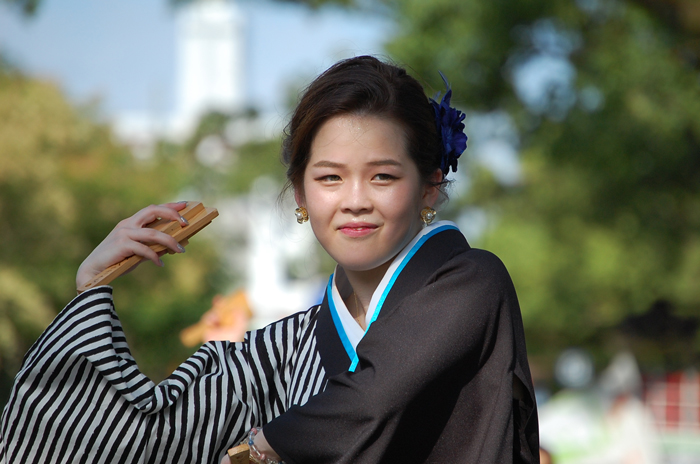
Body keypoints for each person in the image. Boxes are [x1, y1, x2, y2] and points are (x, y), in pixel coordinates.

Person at [0, 56, 539, 463]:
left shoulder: (472, 281)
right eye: (329, 177)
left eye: (383, 176)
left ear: (429, 187)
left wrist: (261, 444)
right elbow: (147, 435)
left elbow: (373, 400)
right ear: (301, 196)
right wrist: (91, 288)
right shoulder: (284, 348)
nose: (354, 199)